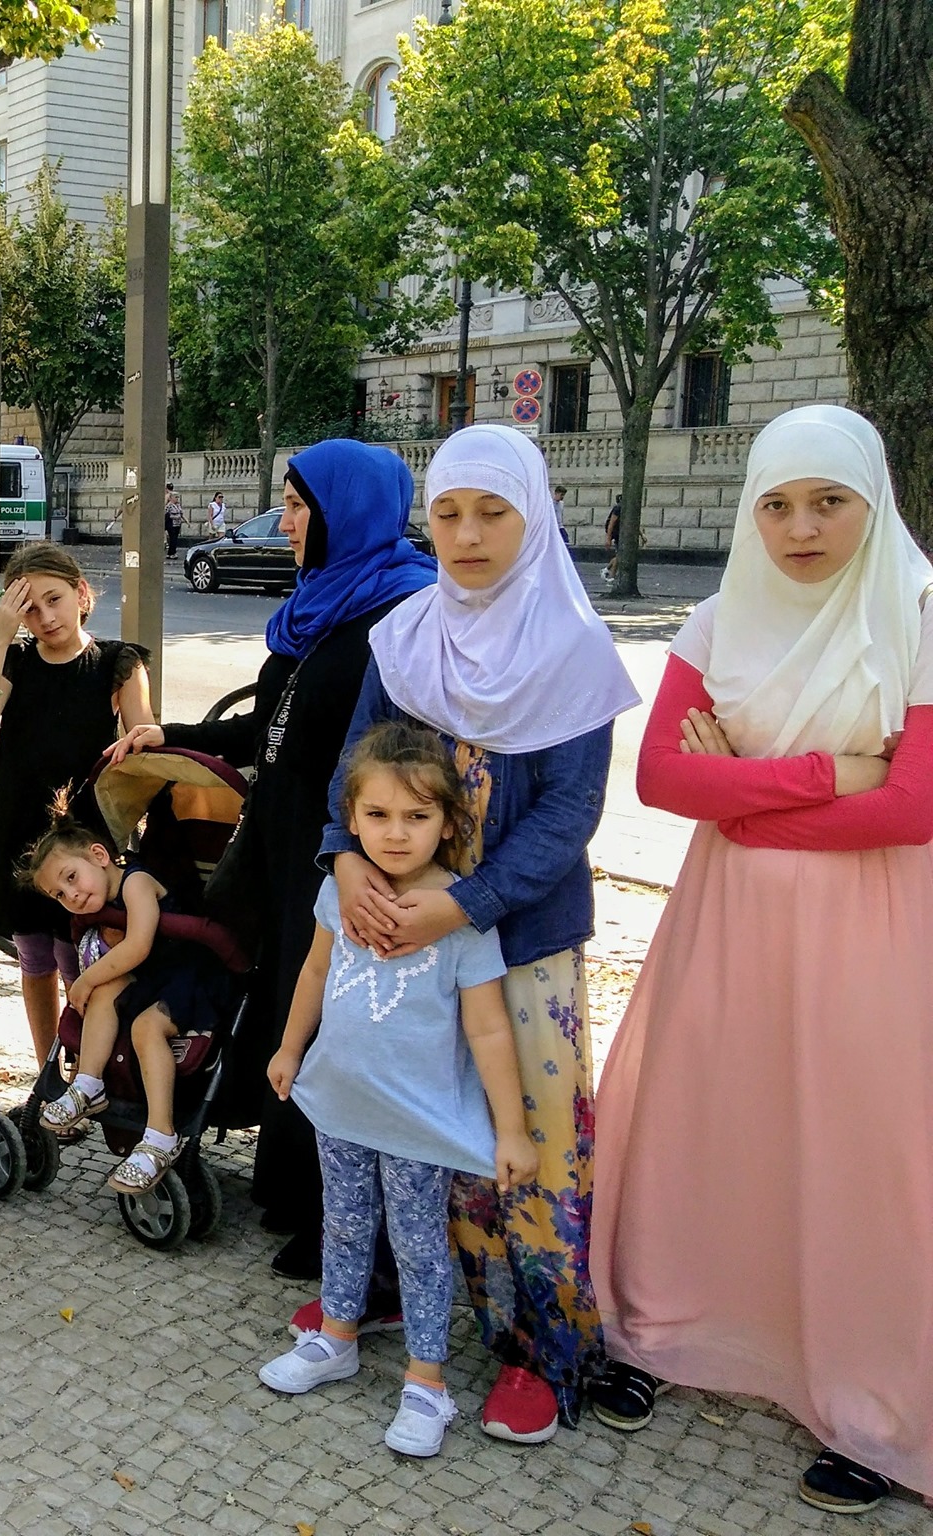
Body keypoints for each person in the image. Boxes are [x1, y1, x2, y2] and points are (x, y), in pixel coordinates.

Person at [589, 406, 933, 1515]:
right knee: (716, 1118)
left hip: (867, 934)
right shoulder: (716, 621)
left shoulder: (916, 614)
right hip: (726, 923)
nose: (798, 527)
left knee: (856, 1146)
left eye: (827, 501)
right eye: (775, 503)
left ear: (870, 502)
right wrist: (824, 780)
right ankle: (686, 1327)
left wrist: (740, 799)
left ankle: (873, 1398)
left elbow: (915, 807)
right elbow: (659, 781)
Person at [321, 424, 639, 1442]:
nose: (464, 535)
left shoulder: (571, 648)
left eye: (490, 513)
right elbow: (354, 767)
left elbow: (565, 816)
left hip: (518, 937)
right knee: (425, 1124)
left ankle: (539, 1354)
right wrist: (345, 860)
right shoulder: (407, 634)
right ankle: (436, 1317)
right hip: (401, 933)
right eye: (447, 512)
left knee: (528, 1143)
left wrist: (460, 903)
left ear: (532, 515)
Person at [109, 438, 437, 1276]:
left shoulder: (399, 614)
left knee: (341, 1025)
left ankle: (347, 1227)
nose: (286, 523)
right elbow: (268, 731)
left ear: (345, 514)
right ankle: (298, 1192)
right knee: (298, 1007)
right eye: (289, 505)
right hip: (290, 845)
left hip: (356, 858)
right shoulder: (321, 607)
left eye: (300, 507)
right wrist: (172, 734)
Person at [260, 723, 537, 1458]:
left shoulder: (461, 921)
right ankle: (339, 1337)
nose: (395, 833)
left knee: (418, 1247)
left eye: (417, 817)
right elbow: (315, 973)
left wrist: (510, 1130)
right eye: (378, 816)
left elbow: (488, 1031)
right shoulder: (337, 892)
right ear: (351, 819)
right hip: (340, 1103)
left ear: (449, 823)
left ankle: (426, 1381)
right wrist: (291, 1048)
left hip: (415, 1121)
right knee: (344, 1225)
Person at [0, 542, 151, 1067]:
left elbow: (142, 745)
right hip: (19, 822)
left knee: (79, 952)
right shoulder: (16, 661)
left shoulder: (117, 663)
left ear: (81, 594)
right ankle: (48, 1067)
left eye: (54, 599)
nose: (45, 617)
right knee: (33, 953)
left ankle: (89, 1066)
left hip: (84, 830)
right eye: (29, 609)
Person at [24, 791, 234, 1193]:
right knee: (106, 993)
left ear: (100, 855)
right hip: (153, 973)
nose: (72, 897)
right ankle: (89, 1084)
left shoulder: (137, 882)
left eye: (71, 878)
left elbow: (138, 945)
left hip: (188, 975)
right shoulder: (103, 896)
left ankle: (160, 1136)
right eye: (59, 895)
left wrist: (83, 980)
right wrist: (95, 983)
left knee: (144, 1027)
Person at [603, 496, 623, 583]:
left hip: (621, 532)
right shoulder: (618, 508)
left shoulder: (627, 509)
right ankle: (611, 577)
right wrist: (608, 538)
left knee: (619, 556)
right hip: (617, 533)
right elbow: (611, 523)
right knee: (620, 556)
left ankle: (607, 570)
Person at [163, 483, 185, 556]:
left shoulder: (178, 505)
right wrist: (174, 517)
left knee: (175, 539)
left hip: (178, 524)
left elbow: (181, 513)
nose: (177, 498)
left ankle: (172, 552)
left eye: (178, 497)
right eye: (176, 497)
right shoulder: (169, 505)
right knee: (173, 538)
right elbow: (166, 513)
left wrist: (186, 521)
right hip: (172, 524)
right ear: (171, 498)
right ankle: (171, 552)